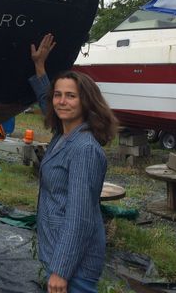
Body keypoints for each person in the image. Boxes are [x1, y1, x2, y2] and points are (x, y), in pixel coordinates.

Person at [29, 33, 118, 293]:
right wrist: (40, 67)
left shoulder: (84, 149)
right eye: (58, 95)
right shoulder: (63, 135)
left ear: (85, 102)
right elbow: (50, 106)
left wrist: (61, 271)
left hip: (74, 266)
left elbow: (79, 217)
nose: (62, 101)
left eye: (71, 96)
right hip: (58, 251)